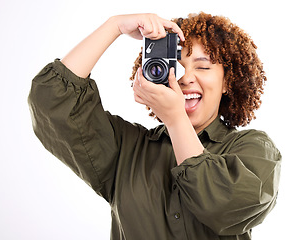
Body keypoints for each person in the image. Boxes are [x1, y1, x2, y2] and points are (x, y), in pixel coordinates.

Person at [28, 12, 281, 240]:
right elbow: (52, 99)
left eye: (202, 66)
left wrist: (175, 119)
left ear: (228, 82)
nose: (185, 77)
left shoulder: (253, 149)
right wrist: (114, 25)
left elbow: (224, 206)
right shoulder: (125, 149)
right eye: (175, 65)